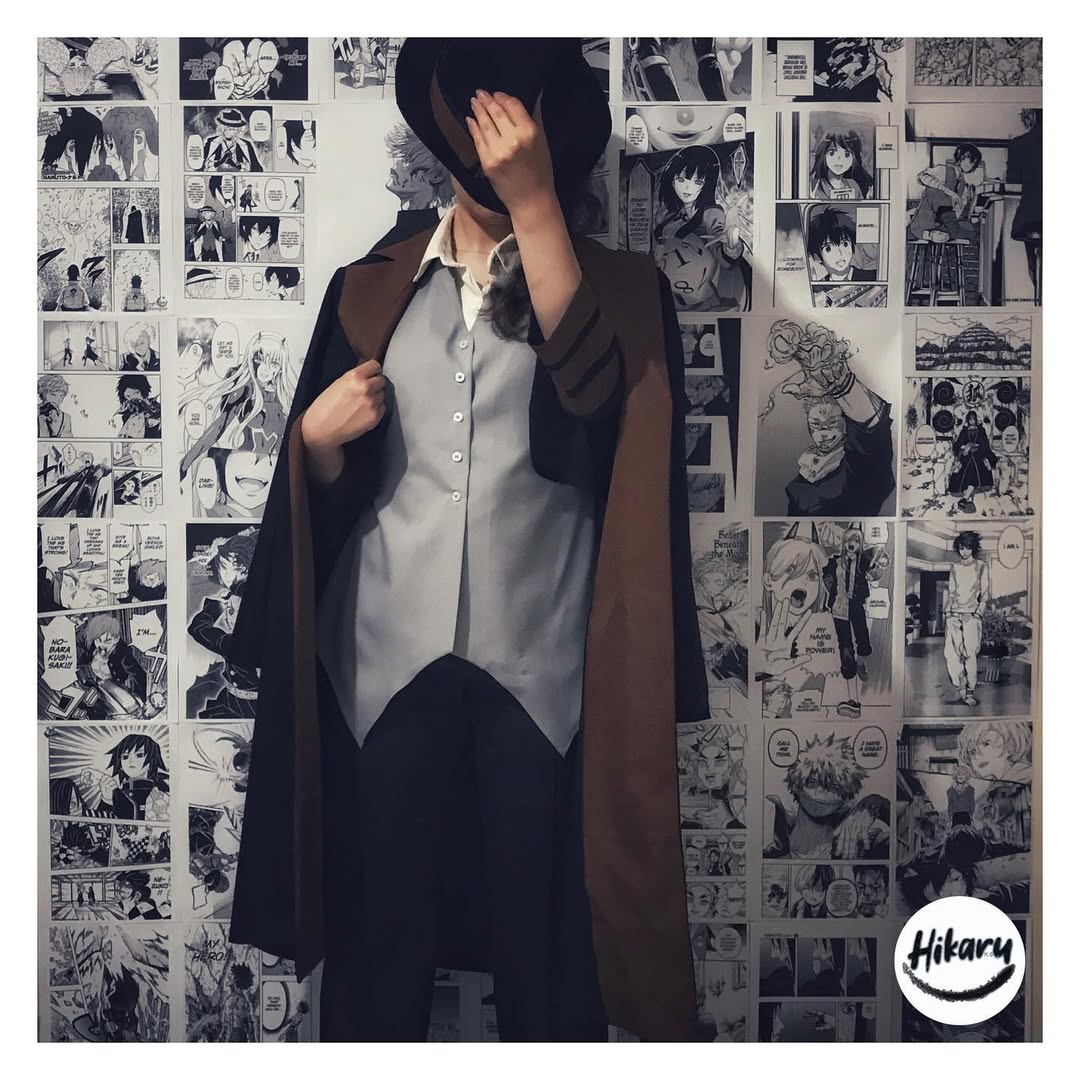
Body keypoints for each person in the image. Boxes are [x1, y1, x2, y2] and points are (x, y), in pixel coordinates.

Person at [224, 38, 707, 1043]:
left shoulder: (620, 295)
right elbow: (325, 502)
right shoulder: (369, 287)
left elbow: (597, 407)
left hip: (545, 682)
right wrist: (312, 447)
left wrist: (534, 206)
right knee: (376, 955)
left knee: (550, 966)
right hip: (378, 669)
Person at [943, 530, 991, 707]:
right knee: (950, 654)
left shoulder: (981, 566)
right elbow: (952, 592)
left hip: (972, 616)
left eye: (968, 548)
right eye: (961, 548)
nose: (964, 551)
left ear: (973, 548)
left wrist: (978, 613)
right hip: (954, 615)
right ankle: (961, 687)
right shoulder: (954, 567)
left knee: (970, 654)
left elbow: (985, 594)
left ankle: (970, 691)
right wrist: (947, 612)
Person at [947, 409, 997, 515]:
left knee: (974, 468)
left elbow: (984, 444)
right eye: (970, 419)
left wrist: (972, 445)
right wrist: (965, 447)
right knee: (964, 469)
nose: (972, 421)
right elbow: (958, 444)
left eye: (974, 419)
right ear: (968, 420)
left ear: (976, 420)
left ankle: (965, 499)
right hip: (966, 457)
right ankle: (967, 499)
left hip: (978, 455)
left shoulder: (981, 430)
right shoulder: (964, 431)